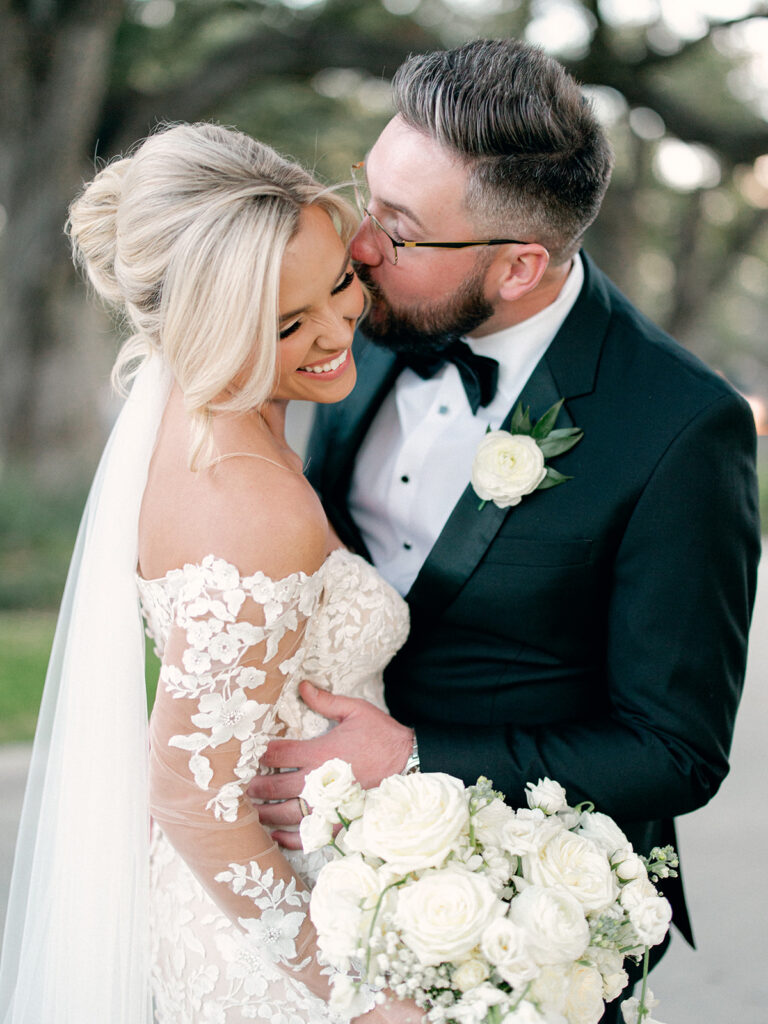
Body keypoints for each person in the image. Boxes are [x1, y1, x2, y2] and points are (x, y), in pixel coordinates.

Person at [248, 39, 762, 1022]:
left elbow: (673, 751)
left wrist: (410, 757)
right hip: (317, 882)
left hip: (520, 924)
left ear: (521, 264)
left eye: (398, 229)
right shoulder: (357, 315)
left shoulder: (681, 428)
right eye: (370, 197)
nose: (359, 245)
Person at [0, 123, 420, 1023]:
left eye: (340, 280)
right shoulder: (248, 502)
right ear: (208, 327)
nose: (339, 327)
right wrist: (356, 994)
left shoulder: (213, 421)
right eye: (286, 324)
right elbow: (191, 797)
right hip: (279, 945)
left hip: (274, 901)